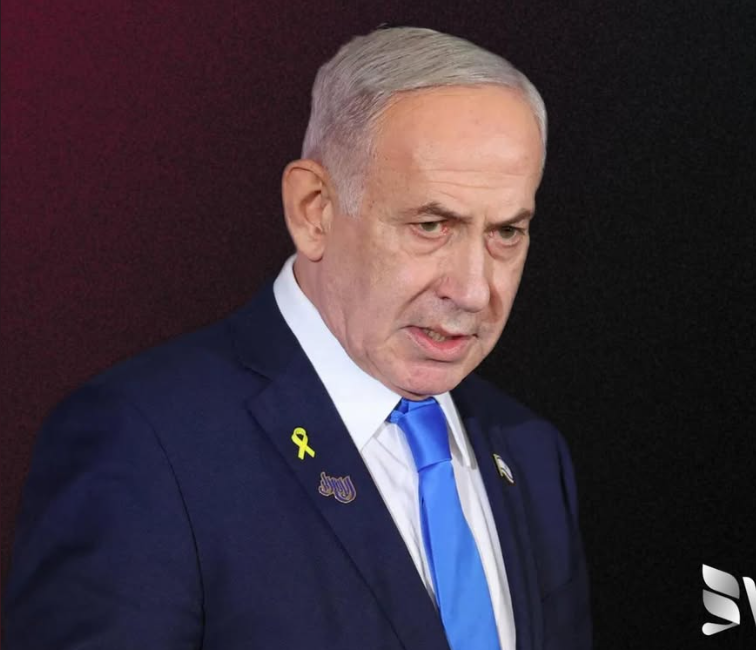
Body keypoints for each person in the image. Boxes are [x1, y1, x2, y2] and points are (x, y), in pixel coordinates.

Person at [3, 27, 591, 650]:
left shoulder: (530, 452)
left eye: (506, 233)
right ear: (314, 209)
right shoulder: (145, 445)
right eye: (431, 225)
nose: (473, 289)